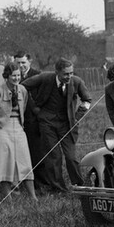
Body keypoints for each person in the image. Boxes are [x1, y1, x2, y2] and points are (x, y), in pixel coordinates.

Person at [22, 58, 92, 192]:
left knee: (71, 157)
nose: (69, 76)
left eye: (71, 73)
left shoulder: (76, 82)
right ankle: (58, 188)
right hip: (47, 123)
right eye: (66, 74)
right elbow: (23, 86)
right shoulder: (44, 78)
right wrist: (34, 107)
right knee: (54, 156)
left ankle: (79, 186)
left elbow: (87, 100)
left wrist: (77, 117)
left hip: (67, 125)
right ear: (57, 72)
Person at [0, 61, 38, 202]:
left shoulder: (23, 90)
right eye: (13, 76)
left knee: (25, 160)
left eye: (18, 75)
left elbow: (23, 108)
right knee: (4, 163)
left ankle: (33, 197)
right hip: (1, 128)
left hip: (18, 127)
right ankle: (7, 198)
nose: (16, 78)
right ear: (7, 76)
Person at [13, 50, 47, 188]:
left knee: (36, 152)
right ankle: (21, 182)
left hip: (34, 120)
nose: (21, 65)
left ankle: (40, 183)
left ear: (29, 62)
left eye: (23, 62)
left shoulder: (38, 75)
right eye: (18, 63)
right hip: (18, 121)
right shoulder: (13, 76)